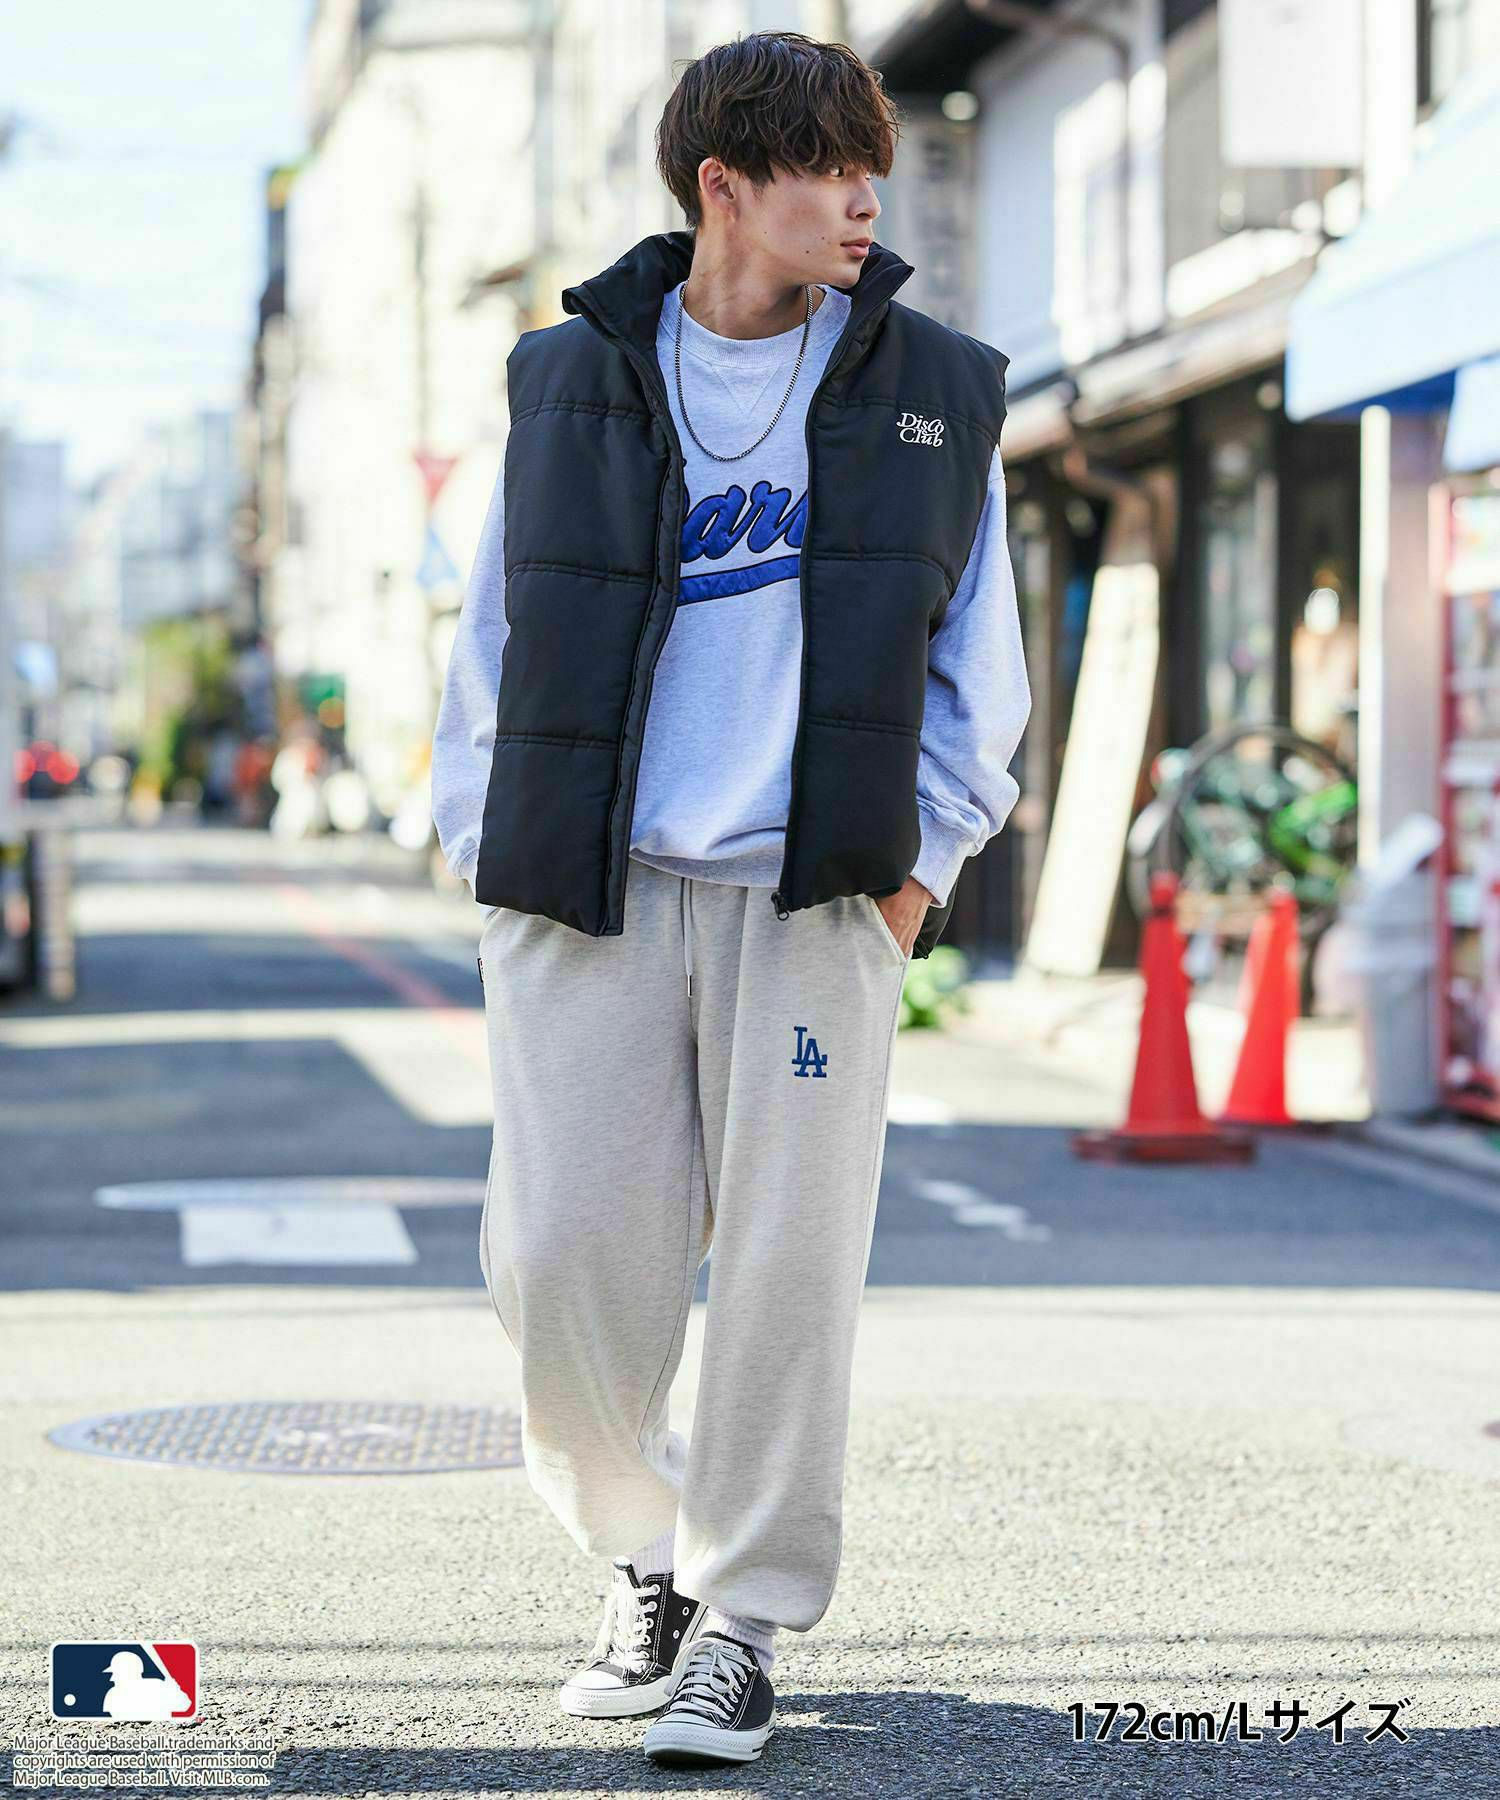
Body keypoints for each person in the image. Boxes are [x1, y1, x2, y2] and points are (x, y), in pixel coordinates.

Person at [431, 29, 1030, 1770]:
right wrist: (484, 852)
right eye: (825, 168)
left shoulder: (936, 390)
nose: (863, 201)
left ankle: (743, 1623)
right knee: (559, 1262)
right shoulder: (569, 378)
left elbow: (979, 663)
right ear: (723, 186)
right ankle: (647, 1555)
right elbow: (491, 634)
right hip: (588, 896)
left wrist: (918, 874)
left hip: (814, 900)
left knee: (785, 1277)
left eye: (870, 168)